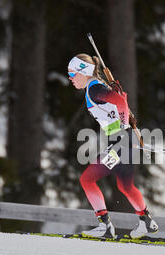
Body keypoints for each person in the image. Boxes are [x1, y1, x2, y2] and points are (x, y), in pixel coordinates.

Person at [67, 53, 158, 239]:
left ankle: (106, 226)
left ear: (84, 72)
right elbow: (119, 102)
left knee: (87, 179)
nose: (70, 78)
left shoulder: (94, 89)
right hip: (124, 140)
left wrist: (124, 126)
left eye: (73, 73)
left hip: (121, 142)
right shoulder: (96, 87)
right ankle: (147, 222)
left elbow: (120, 102)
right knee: (125, 185)